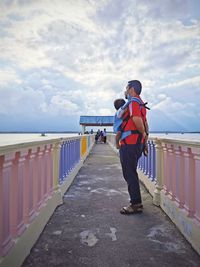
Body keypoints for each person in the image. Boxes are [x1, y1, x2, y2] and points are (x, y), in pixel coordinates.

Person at [119, 80, 149, 215]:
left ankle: (136, 204)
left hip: (130, 144)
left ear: (131, 89)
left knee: (129, 173)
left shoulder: (133, 102)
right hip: (137, 143)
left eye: (126, 88)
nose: (125, 91)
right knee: (132, 172)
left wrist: (142, 136)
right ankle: (136, 202)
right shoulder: (140, 103)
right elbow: (145, 124)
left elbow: (137, 120)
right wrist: (144, 141)